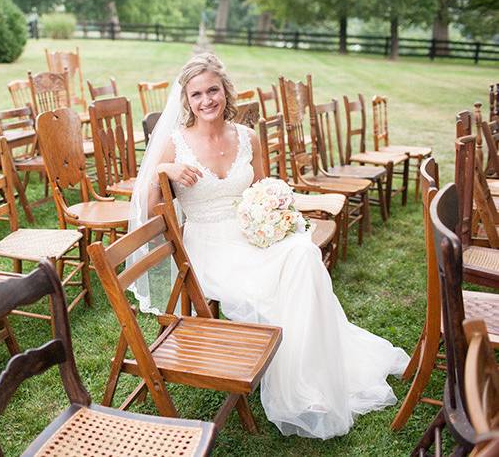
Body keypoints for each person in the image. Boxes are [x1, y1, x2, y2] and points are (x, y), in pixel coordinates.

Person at [128, 53, 410, 439]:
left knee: (303, 253)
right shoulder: (176, 145)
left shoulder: (247, 137)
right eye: (197, 94)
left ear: (225, 92)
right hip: (208, 245)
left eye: (213, 90)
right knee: (271, 285)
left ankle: (309, 372)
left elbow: (260, 188)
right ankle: (300, 383)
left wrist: (272, 213)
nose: (207, 100)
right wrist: (164, 170)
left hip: (250, 234)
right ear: (187, 100)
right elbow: (144, 206)